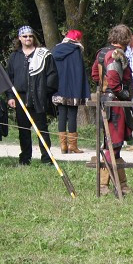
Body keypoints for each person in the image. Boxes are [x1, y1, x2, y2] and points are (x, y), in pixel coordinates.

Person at [5, 26, 58, 165]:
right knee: (23, 130)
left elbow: (52, 75)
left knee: (42, 128)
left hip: (38, 97)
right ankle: (25, 159)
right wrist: (10, 96)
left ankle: (47, 159)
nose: (28, 38)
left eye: (30, 36)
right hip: (20, 97)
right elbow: (9, 78)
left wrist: (44, 92)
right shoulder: (14, 56)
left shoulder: (43, 55)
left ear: (33, 38)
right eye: (25, 36)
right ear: (19, 38)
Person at [91, 25, 133, 194]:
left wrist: (103, 87)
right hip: (115, 104)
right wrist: (124, 95)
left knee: (113, 145)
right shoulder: (116, 55)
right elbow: (115, 82)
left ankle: (122, 185)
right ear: (126, 38)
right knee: (112, 145)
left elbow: (96, 75)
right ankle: (105, 186)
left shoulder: (101, 53)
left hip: (105, 101)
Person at [50, 30, 90, 154]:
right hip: (73, 88)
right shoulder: (76, 50)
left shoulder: (55, 50)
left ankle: (63, 146)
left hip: (60, 87)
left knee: (62, 114)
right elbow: (79, 72)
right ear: (77, 39)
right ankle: (73, 145)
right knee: (72, 114)